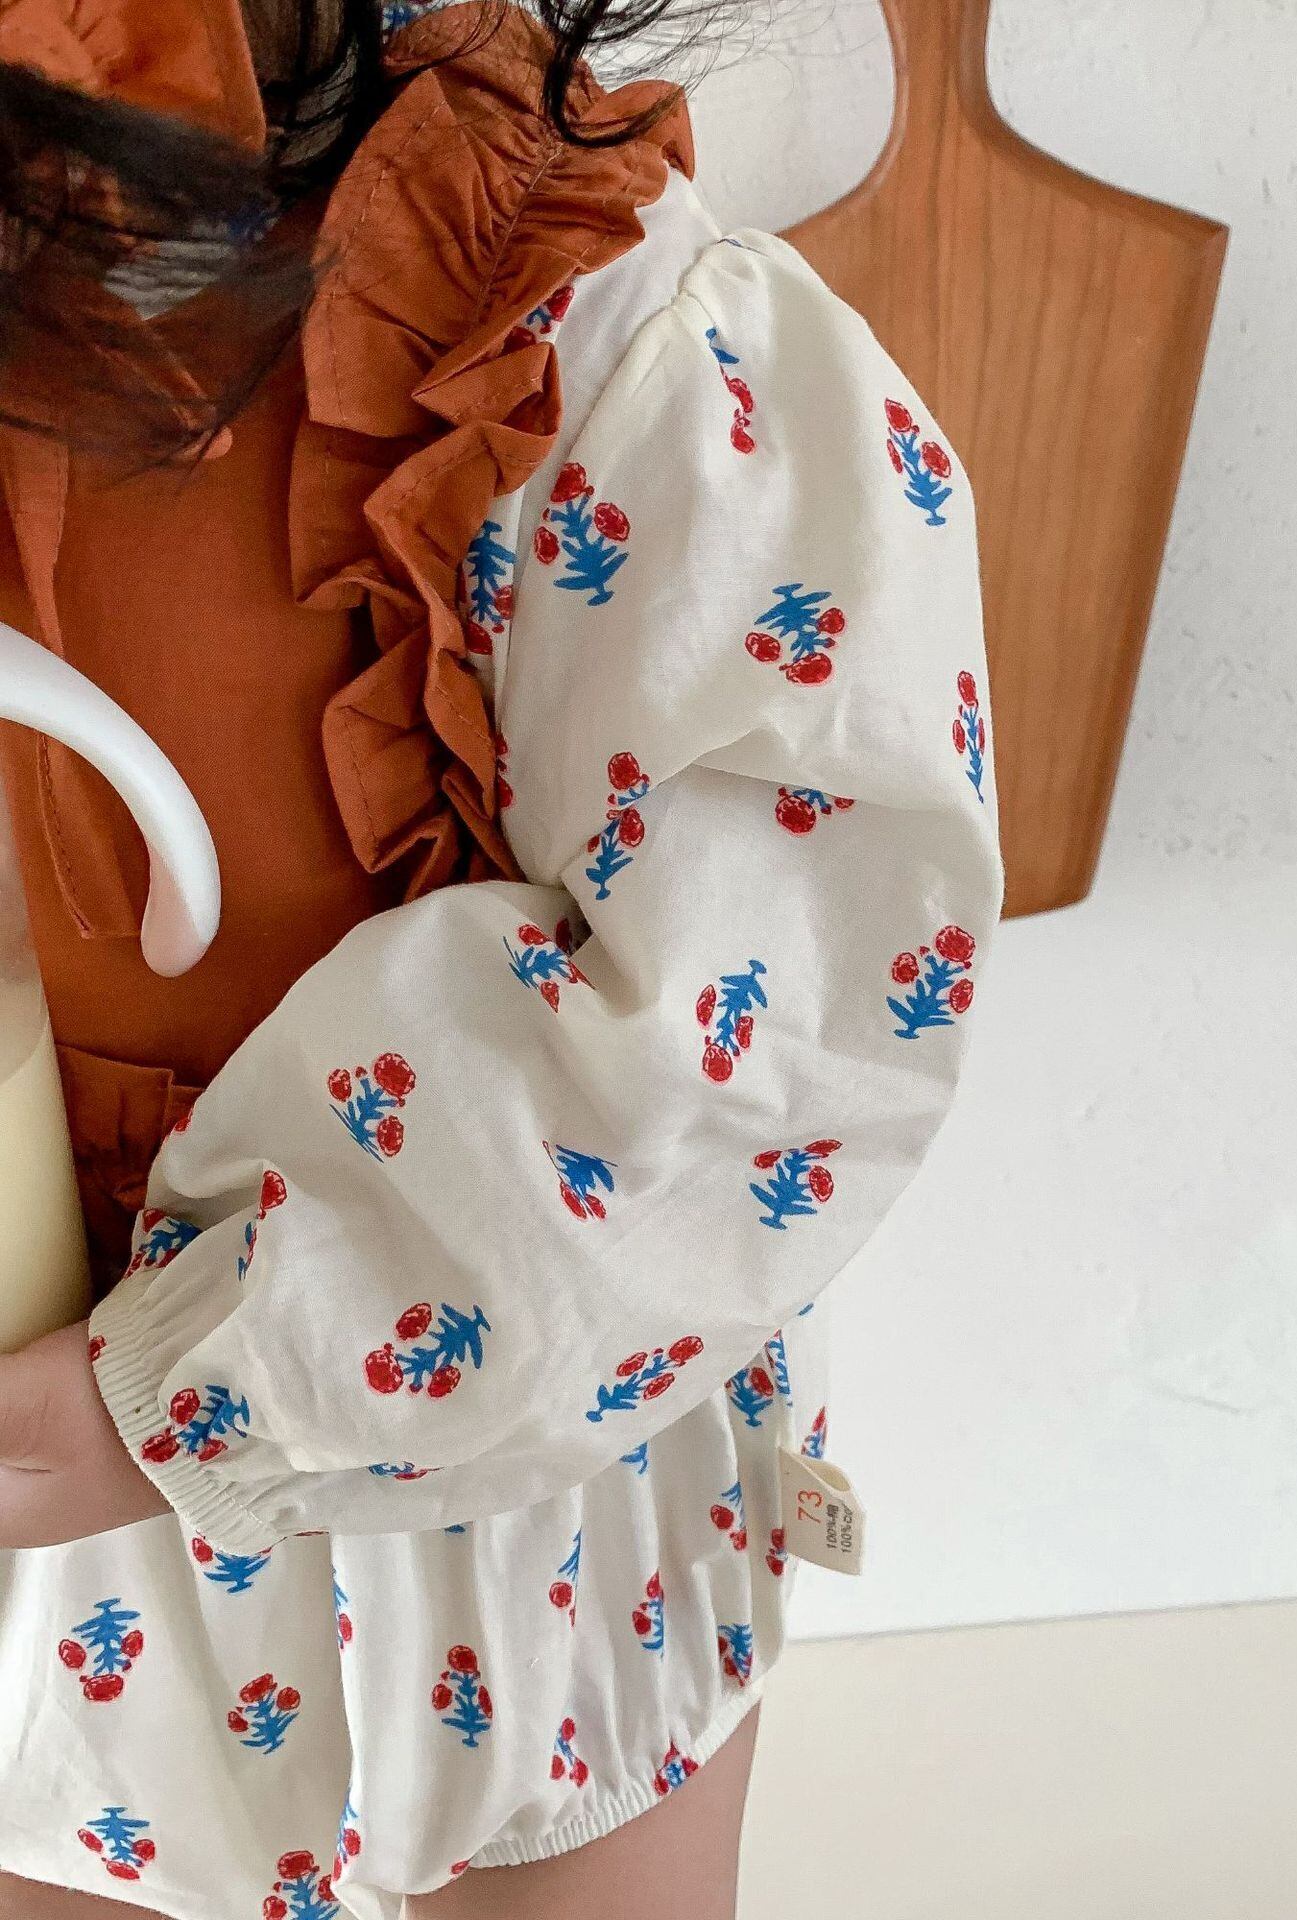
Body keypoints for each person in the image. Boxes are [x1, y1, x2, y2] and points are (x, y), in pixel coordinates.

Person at [0, 2, 999, 1914]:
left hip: (518, 1470)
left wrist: (196, 1386)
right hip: (51, 1575)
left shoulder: (588, 334)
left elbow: (770, 1006)